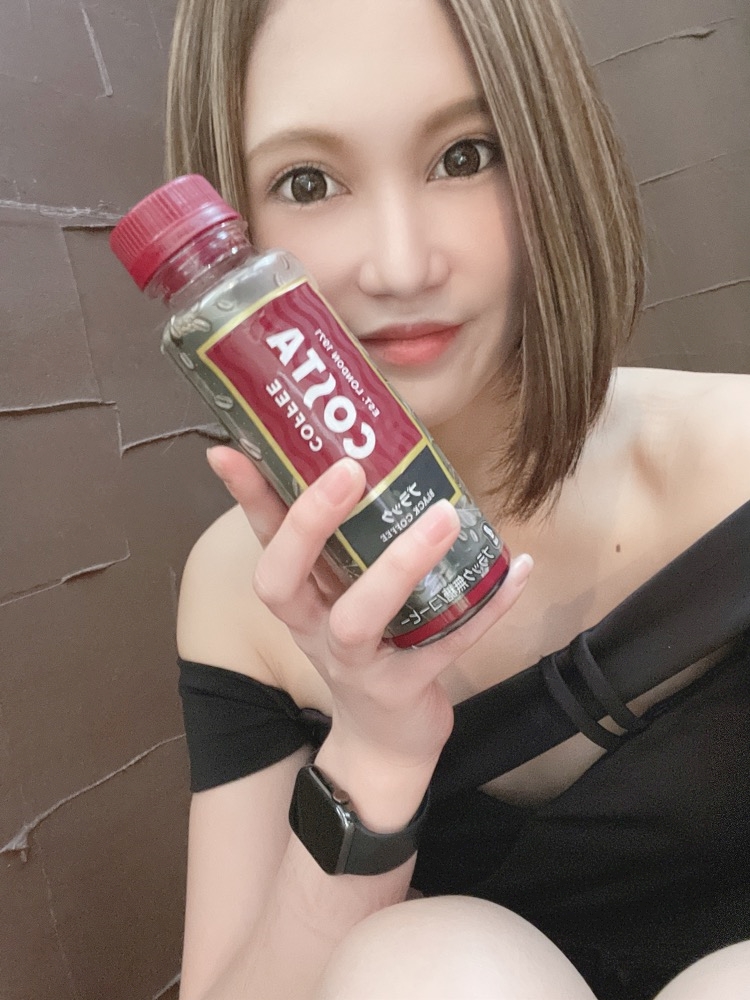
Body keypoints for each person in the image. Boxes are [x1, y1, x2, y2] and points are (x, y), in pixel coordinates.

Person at [164, 0, 750, 997]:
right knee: (423, 964)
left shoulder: (732, 468)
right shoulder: (243, 592)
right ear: (228, 229)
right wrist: (372, 753)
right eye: (308, 182)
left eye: (465, 156)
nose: (401, 266)